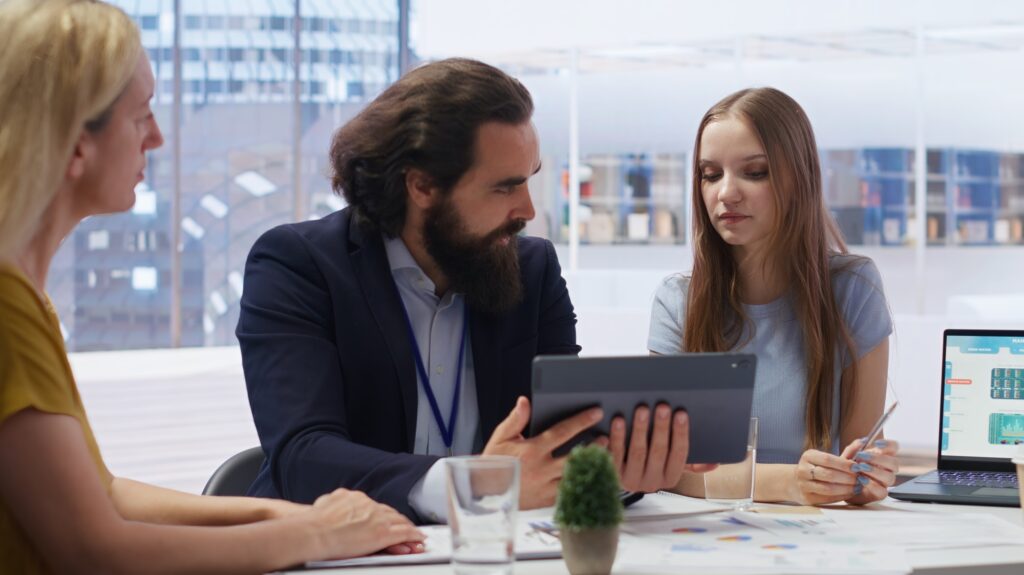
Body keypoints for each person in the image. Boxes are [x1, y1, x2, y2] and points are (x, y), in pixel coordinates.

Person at [0, 1, 425, 572]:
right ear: (77, 140)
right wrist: (314, 536)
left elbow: (101, 493)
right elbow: (92, 549)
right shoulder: (8, 306)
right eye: (141, 116)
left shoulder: (26, 297)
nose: (156, 138)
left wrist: (282, 515)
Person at [237, 57, 714, 524]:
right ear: (422, 186)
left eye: (529, 180)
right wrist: (477, 484)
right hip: (339, 550)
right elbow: (304, 457)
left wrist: (621, 469)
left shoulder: (533, 270)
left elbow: (558, 443)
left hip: (499, 549)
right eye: (504, 188)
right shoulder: (298, 265)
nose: (527, 210)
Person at [648, 87, 900, 506]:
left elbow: (859, 461)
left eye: (755, 172)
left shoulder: (854, 288)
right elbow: (667, 471)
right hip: (708, 534)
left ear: (799, 179)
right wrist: (790, 483)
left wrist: (865, 478)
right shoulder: (677, 301)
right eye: (711, 174)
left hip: (819, 535)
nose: (726, 193)